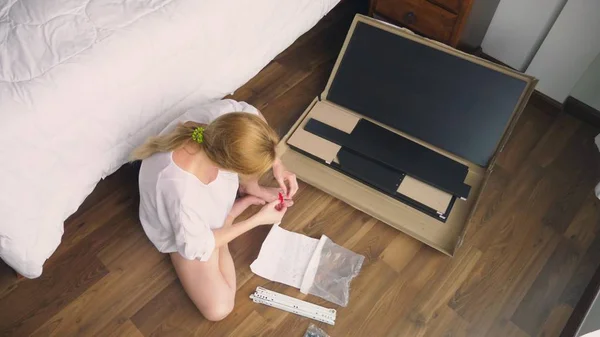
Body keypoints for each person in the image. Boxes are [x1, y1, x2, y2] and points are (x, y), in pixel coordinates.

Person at [130, 100, 298, 321]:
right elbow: (194, 247)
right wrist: (256, 219)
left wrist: (278, 164)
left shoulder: (222, 122)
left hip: (204, 207)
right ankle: (226, 225)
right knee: (219, 308)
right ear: (230, 167)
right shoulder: (182, 194)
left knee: (252, 154)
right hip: (187, 232)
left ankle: (240, 201)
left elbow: (250, 112)